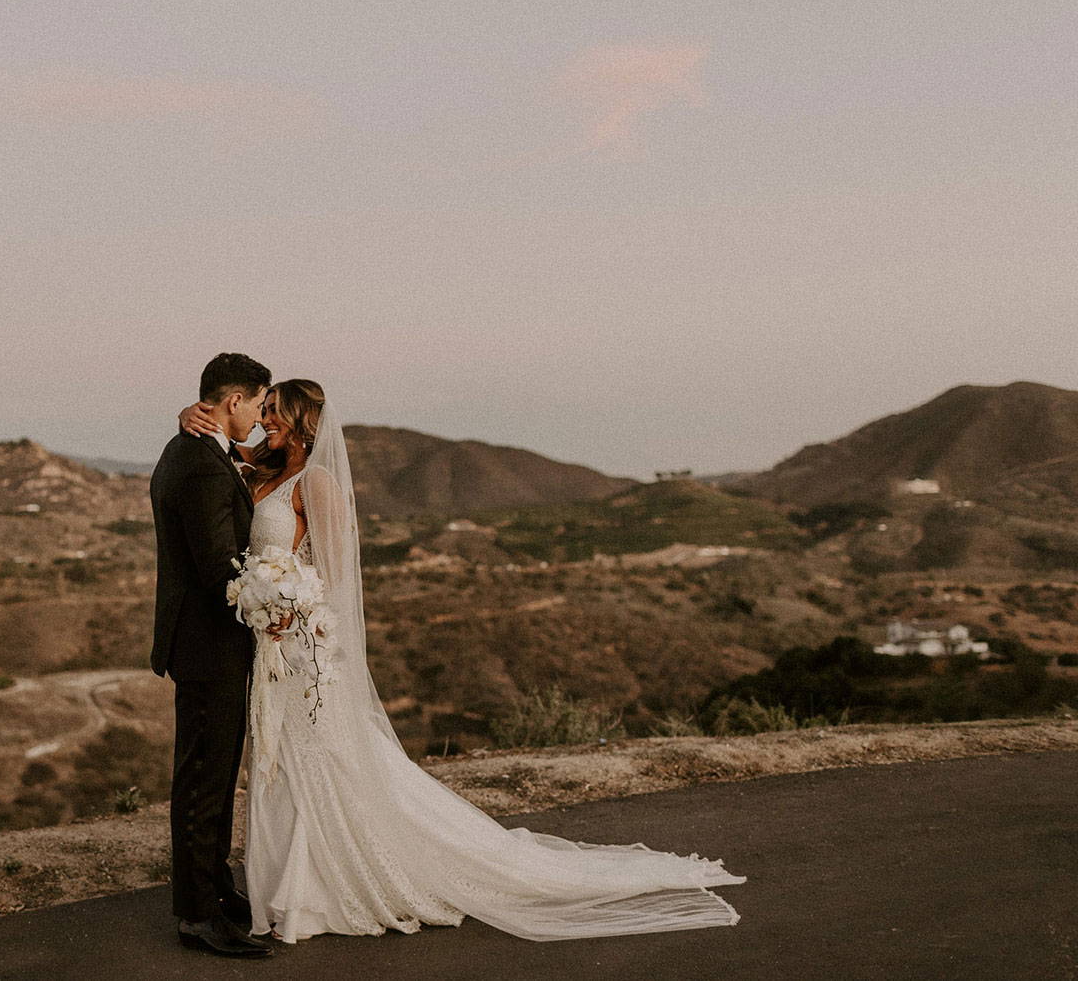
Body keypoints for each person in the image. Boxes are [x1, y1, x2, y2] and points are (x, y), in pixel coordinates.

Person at [177, 379, 745, 945]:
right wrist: (190, 416)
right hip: (272, 649)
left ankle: (322, 887)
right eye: (263, 410)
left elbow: (337, 574)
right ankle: (292, 886)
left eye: (276, 412)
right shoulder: (265, 471)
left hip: (303, 647)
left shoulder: (316, 482)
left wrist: (291, 607)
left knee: (324, 759)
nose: (265, 421)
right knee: (287, 763)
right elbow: (223, 449)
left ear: (302, 421)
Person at [149, 352, 273, 958]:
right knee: (203, 778)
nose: (260, 414)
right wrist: (275, 601)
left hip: (209, 644)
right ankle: (198, 915)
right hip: (207, 644)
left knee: (217, 773)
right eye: (257, 402)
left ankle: (216, 888)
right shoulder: (199, 463)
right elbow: (217, 568)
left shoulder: (196, 448)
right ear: (233, 401)